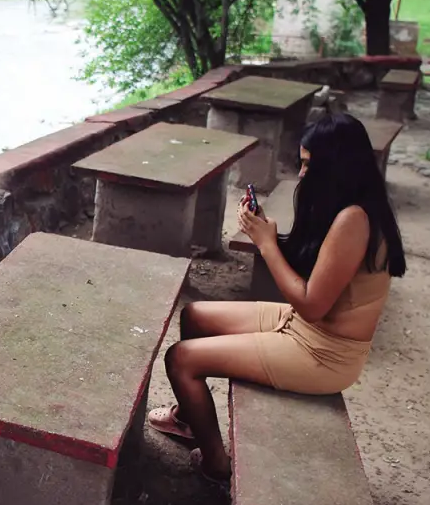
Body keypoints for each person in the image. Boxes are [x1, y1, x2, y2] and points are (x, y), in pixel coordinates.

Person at [149, 113, 407, 486]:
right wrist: (268, 233)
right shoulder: (350, 205)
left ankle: (216, 464)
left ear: (335, 167)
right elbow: (314, 273)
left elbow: (313, 305)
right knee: (194, 315)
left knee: (180, 359)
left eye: (307, 164)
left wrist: (267, 245)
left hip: (325, 352)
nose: (302, 174)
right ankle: (189, 419)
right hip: (304, 326)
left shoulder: (355, 220)